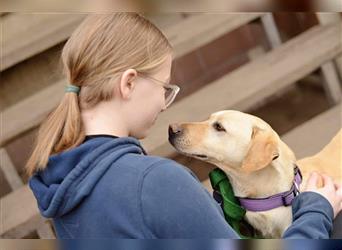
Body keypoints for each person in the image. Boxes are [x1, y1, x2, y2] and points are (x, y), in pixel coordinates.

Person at [26, 13, 342, 239]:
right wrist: (316, 209)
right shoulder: (155, 183)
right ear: (129, 83)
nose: (165, 103)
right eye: (164, 87)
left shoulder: (62, 179)